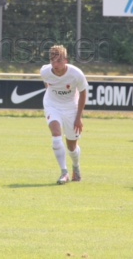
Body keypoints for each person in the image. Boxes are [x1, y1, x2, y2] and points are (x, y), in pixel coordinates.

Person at [40, 45, 89, 184]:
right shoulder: (45, 71)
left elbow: (83, 93)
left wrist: (79, 118)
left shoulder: (76, 74)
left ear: (66, 60)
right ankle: (64, 172)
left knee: (72, 146)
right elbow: (47, 83)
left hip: (71, 108)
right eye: (52, 61)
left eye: (59, 61)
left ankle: (76, 167)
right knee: (56, 136)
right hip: (52, 105)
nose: (55, 65)